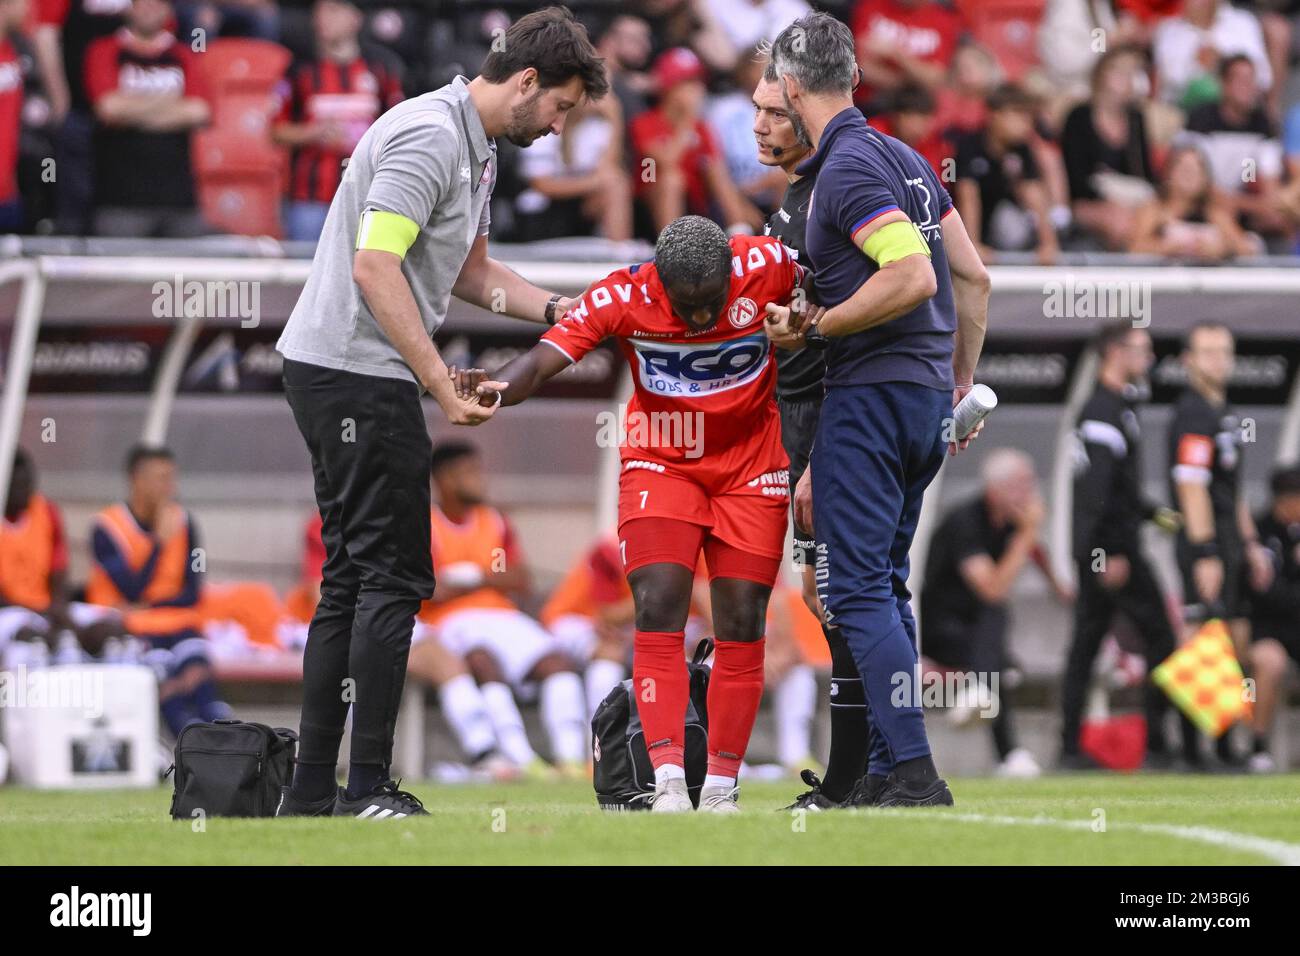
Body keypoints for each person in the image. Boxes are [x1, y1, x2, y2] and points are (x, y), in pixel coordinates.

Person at [274, 5, 608, 820]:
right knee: (393, 579)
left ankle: (315, 792)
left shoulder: (474, 145)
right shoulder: (429, 136)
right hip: (356, 374)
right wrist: (436, 379)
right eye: (561, 107)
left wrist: (569, 311)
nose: (559, 127)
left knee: (352, 582)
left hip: (348, 369)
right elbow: (375, 267)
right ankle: (369, 789)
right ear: (526, 82)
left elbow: (473, 273)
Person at [466, 216, 808, 812]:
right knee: (658, 605)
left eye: (712, 303)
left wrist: (806, 320)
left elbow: (826, 288)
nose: (701, 319)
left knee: (742, 618)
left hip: (752, 467)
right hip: (662, 464)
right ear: (659, 282)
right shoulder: (624, 292)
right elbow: (545, 359)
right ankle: (670, 780)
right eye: (687, 306)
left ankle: (723, 788)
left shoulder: (766, 264)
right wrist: (497, 389)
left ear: (734, 272)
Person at [766, 11, 991, 807]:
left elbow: (913, 274)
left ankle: (915, 771)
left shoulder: (848, 168)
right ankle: (882, 772)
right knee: (885, 589)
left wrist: (820, 324)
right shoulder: (905, 155)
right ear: (852, 77)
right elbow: (974, 278)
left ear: (793, 87)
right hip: (925, 397)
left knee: (854, 589)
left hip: (868, 396)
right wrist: (958, 378)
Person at [750, 65, 870, 810]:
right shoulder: (794, 200)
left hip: (828, 427)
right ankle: (864, 765)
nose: (760, 125)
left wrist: (820, 458)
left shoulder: (829, 195)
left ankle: (856, 771)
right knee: (830, 603)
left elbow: (844, 332)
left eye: (772, 111)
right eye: (753, 112)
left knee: (846, 600)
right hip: (800, 429)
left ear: (803, 107)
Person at [1062, 321, 1196, 770]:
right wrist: (1107, 553)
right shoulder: (1102, 411)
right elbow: (1094, 493)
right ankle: (1157, 745)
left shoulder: (1119, 406)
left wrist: (1158, 514)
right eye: (1142, 349)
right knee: (1159, 637)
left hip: (1111, 544)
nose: (1150, 359)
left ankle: (1071, 748)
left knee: (1089, 641)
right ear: (1115, 352)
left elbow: (1119, 491)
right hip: (1111, 550)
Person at [416, 441, 588, 778]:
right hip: (452, 620)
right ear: (446, 479)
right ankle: (521, 758)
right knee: (482, 661)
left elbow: (521, 578)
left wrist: (476, 577)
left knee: (556, 662)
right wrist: (485, 580)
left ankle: (570, 759)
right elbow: (427, 588)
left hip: (502, 614)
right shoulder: (425, 523)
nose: (481, 479)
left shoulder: (495, 521)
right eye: (471, 472)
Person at [922, 450, 1070, 778]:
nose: (1030, 493)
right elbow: (991, 588)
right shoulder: (965, 521)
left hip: (979, 640)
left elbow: (1036, 555)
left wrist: (1059, 586)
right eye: (1021, 485)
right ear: (995, 489)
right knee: (996, 616)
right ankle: (1009, 752)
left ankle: (983, 692)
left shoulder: (1008, 525)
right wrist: (1028, 533)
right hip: (941, 631)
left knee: (994, 654)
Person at [1168, 320, 1274, 767]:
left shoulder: (1223, 413)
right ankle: (1195, 751)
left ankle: (1229, 746)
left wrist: (1250, 544)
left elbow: (1232, 491)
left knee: (1235, 644)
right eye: (1208, 351)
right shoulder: (1192, 413)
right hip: (1204, 544)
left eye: (1225, 351)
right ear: (1189, 361)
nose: (1219, 360)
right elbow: (1191, 487)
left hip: (1229, 543)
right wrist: (1206, 552)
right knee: (1203, 647)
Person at [86, 445, 231, 736]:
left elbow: (193, 589)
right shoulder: (106, 527)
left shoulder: (185, 521)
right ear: (136, 480)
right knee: (164, 673)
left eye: (171, 478)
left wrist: (151, 606)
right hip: (129, 627)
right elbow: (130, 590)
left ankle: (225, 741)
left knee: (197, 669)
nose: (169, 488)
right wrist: (158, 544)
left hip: (176, 620)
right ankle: (187, 748)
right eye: (160, 479)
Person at [271, 0, 405, 242]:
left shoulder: (381, 69)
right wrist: (314, 133)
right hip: (309, 199)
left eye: (333, 10)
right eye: (318, 11)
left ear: (355, 19)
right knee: (304, 275)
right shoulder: (298, 70)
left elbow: (398, 132)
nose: (323, 18)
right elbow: (276, 131)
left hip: (367, 196)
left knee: (363, 272)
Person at [82, 0, 212, 237]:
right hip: (119, 201)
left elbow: (200, 111)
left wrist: (132, 111)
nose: (149, 8)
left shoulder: (183, 54)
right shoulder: (104, 49)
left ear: (168, 10)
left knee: (184, 274)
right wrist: (171, 103)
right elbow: (108, 108)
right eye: (142, 2)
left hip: (179, 202)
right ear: (129, 7)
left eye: (158, 3)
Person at [0, 448, 124, 665]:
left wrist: (59, 610)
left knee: (110, 627)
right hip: (10, 612)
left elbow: (58, 571)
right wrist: (43, 613)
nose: (26, 491)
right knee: (30, 637)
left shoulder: (46, 512)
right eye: (18, 485)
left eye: (28, 484)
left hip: (47, 606)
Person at [628, 46, 762, 235]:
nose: (698, 89)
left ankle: (740, 236)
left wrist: (741, 205)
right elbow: (665, 161)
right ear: (669, 87)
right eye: (688, 82)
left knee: (716, 171)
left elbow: (717, 171)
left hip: (696, 201)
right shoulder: (646, 122)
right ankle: (670, 247)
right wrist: (688, 118)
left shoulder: (701, 127)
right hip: (650, 195)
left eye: (698, 82)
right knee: (672, 179)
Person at [1059, 46, 1155, 252]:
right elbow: (1076, 177)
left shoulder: (1136, 118)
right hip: (1087, 201)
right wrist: (1107, 197)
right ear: (1103, 74)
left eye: (1134, 72)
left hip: (1131, 199)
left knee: (1150, 219)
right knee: (1120, 224)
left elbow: (1144, 174)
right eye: (1122, 72)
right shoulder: (1079, 116)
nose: (1129, 79)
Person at [953, 84, 1059, 264]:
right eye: (1018, 115)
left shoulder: (1021, 150)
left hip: (1003, 231)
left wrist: (1049, 244)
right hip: (965, 229)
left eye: (1028, 117)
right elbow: (968, 196)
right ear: (994, 114)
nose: (1026, 124)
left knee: (1009, 221)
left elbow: (1033, 193)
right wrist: (972, 245)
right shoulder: (970, 146)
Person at [540, 534, 635, 718]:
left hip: (616, 625)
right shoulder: (611, 547)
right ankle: (599, 735)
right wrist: (657, 594)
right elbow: (609, 616)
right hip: (571, 620)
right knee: (608, 658)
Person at [1246, 465, 1300, 773]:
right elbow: (1266, 595)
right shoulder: (1260, 536)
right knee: (1270, 661)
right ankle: (1258, 747)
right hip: (1266, 629)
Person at [1128, 143, 1257, 261]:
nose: (1190, 175)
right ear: (1169, 173)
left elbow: (1246, 249)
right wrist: (1167, 247)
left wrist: (1222, 249)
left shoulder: (1214, 213)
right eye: (1184, 169)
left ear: (1205, 178)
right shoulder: (1154, 210)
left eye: (1196, 170)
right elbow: (1134, 249)